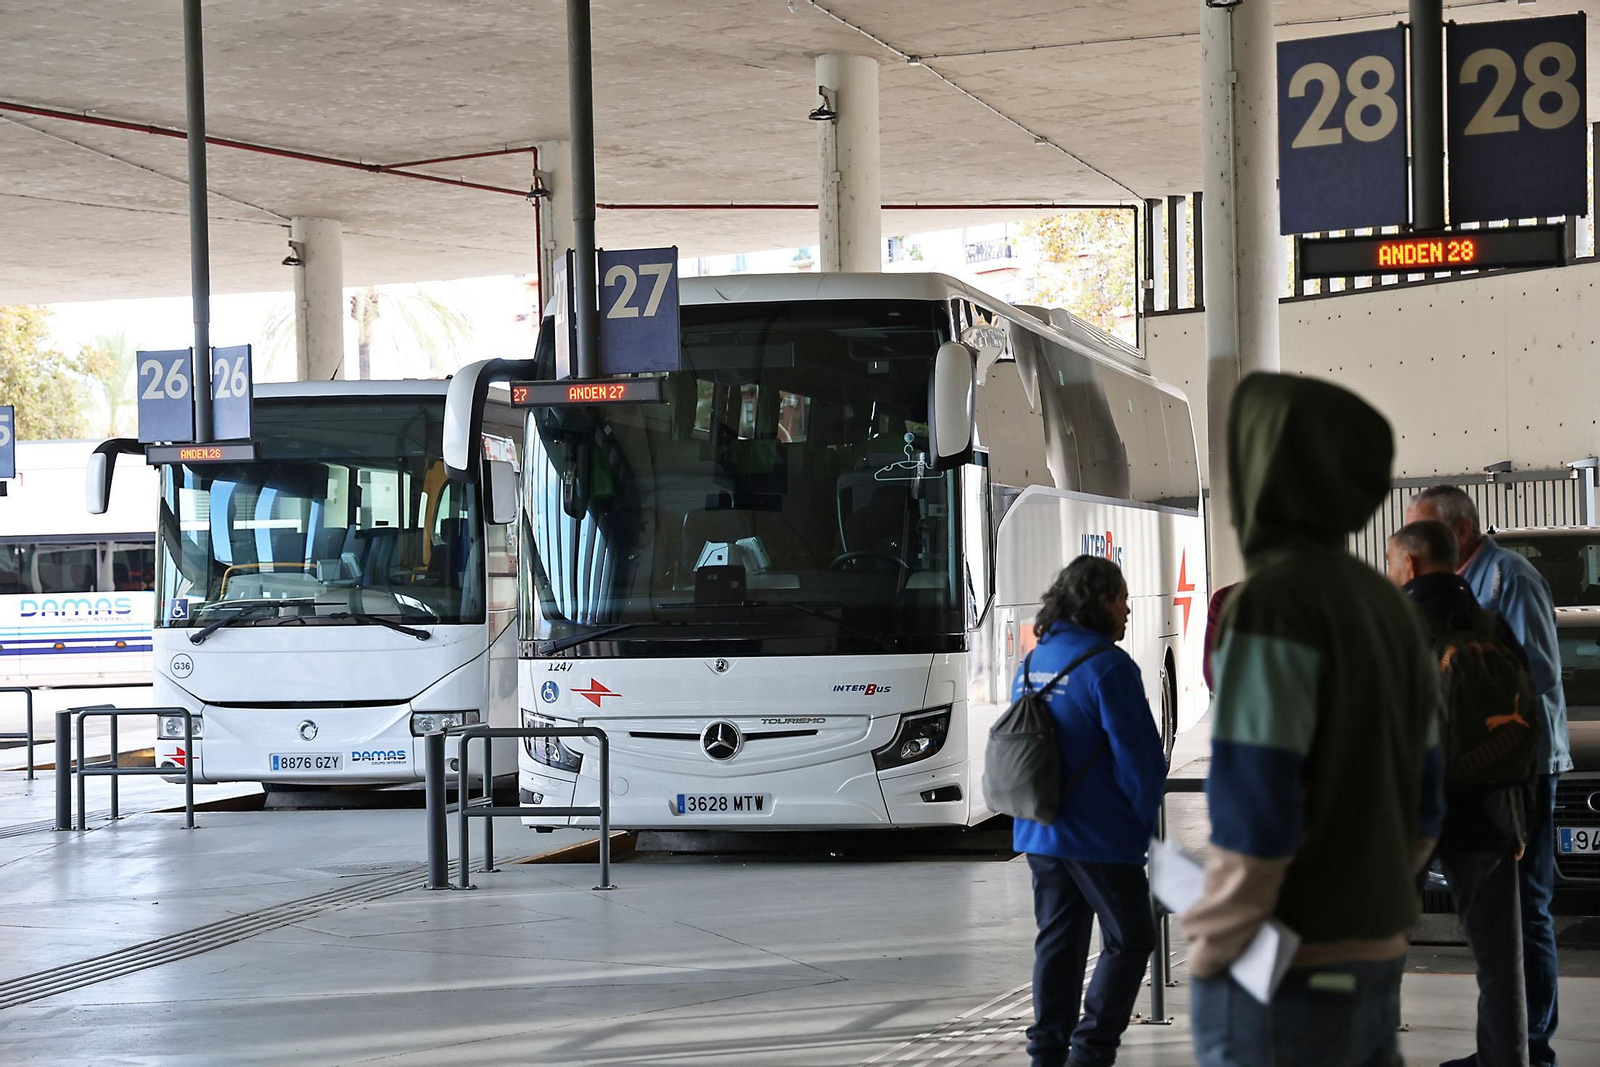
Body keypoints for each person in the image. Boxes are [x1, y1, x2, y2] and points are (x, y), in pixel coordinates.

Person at [1183, 373, 1443, 1067]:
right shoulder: (1393, 608)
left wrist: (1220, 942)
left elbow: (1258, 804)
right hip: (1378, 945)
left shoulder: (1271, 606)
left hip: (1284, 963)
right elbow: (1427, 799)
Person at [1408, 485, 1568, 1067]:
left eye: (1423, 532)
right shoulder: (1456, 587)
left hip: (1522, 770)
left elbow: (1541, 674)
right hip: (1472, 775)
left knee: (1526, 915)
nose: (1415, 547)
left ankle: (1533, 1051)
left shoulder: (1509, 581)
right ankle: (1500, 1051)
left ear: (1460, 532)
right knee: (1501, 926)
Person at [1013, 554, 1167, 1067]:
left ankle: (1047, 1055)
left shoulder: (1034, 662)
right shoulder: (1109, 666)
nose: (1127, 610)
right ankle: (1092, 1049)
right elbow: (1141, 762)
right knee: (1131, 938)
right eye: (1122, 598)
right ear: (1100, 601)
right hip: (1099, 836)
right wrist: (1141, 825)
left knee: (1059, 943)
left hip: (1039, 831)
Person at [1387, 519, 1531, 1067]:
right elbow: (1526, 721)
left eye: (1392, 560)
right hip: (1491, 810)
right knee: (1499, 962)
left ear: (1414, 564)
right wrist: (1521, 816)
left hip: (1407, 815)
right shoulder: (1491, 625)